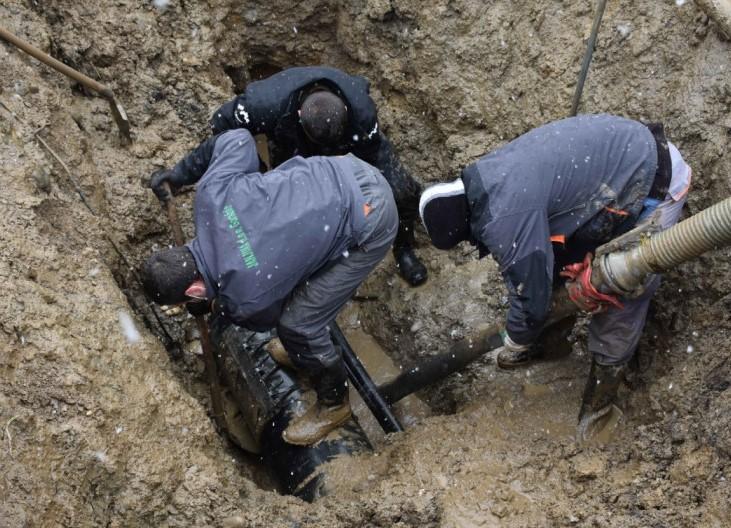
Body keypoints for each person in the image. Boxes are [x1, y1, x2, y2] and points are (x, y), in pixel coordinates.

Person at [418, 114, 691, 432]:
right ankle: (553, 345)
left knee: (624, 287)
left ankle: (598, 406)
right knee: (556, 262)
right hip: (619, 164)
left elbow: (530, 297)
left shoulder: (503, 216)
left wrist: (516, 339)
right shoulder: (485, 178)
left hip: (654, 182)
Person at [142, 128, 398, 446]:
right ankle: (306, 357)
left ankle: (334, 405)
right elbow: (237, 138)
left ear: (193, 291)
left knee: (299, 324)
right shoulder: (210, 194)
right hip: (346, 170)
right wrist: (180, 175)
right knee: (290, 275)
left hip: (372, 217)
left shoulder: (244, 298)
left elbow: (267, 318)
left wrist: (214, 304)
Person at [154, 65, 427, 286]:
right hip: (293, 146)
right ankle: (304, 266)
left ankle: (404, 249)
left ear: (346, 111)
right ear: (299, 113)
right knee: (291, 212)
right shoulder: (263, 104)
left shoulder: (362, 113)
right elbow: (224, 130)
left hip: (349, 147)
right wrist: (184, 174)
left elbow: (372, 158)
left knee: (403, 191)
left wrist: (364, 191)